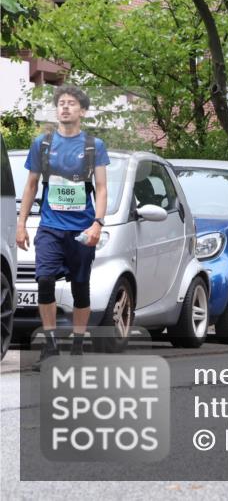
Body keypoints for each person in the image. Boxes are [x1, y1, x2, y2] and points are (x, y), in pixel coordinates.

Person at [16, 85, 110, 370]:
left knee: (81, 289)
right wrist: (21, 224)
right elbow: (31, 185)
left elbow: (102, 188)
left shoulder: (94, 146)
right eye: (61, 103)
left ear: (82, 111)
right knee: (44, 280)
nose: (65, 107)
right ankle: (51, 346)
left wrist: (98, 223)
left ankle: (78, 346)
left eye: (71, 103)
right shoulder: (42, 144)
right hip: (50, 226)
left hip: (82, 229)